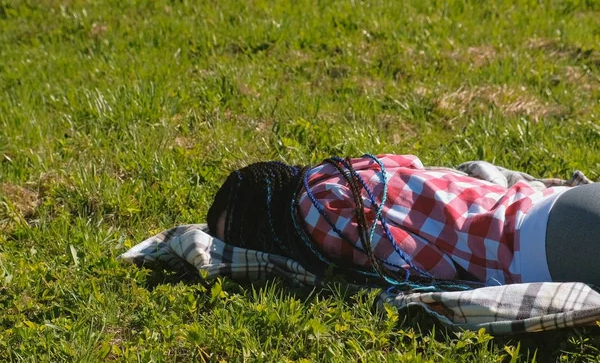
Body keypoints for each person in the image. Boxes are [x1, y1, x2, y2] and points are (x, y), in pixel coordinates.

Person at [207, 154, 600, 286]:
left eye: (244, 237)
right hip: (557, 205)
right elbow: (416, 165)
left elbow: (426, 267)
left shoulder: (313, 216)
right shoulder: (333, 172)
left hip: (544, 250)